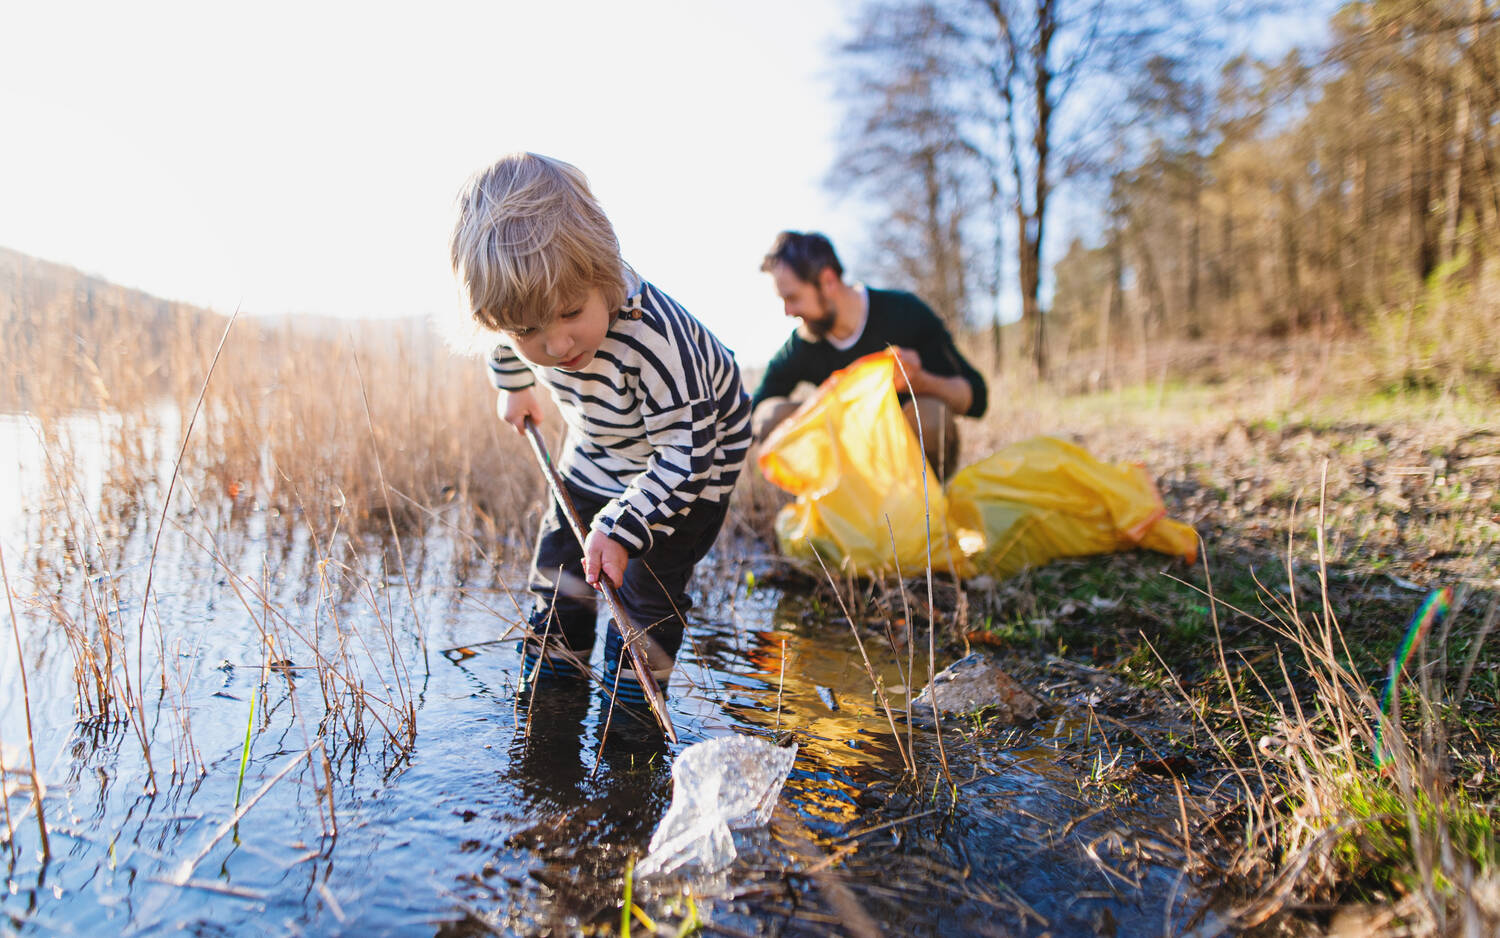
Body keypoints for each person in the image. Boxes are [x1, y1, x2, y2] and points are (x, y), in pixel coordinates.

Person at [450, 152, 752, 712]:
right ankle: (550, 699)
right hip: (600, 446)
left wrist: (619, 527)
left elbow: (686, 458)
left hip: (689, 470)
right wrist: (514, 384)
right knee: (561, 576)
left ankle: (632, 720)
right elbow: (501, 338)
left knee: (643, 598)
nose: (558, 346)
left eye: (570, 313)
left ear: (604, 271)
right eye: (529, 331)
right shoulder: (521, 320)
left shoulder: (657, 341)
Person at [751, 231, 988, 478]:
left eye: (793, 298)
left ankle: (922, 509)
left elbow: (977, 397)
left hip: (901, 458)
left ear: (828, 281)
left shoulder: (905, 312)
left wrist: (921, 381)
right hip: (842, 463)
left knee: (931, 416)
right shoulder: (801, 343)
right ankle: (827, 506)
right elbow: (756, 408)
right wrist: (819, 405)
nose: (788, 312)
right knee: (771, 416)